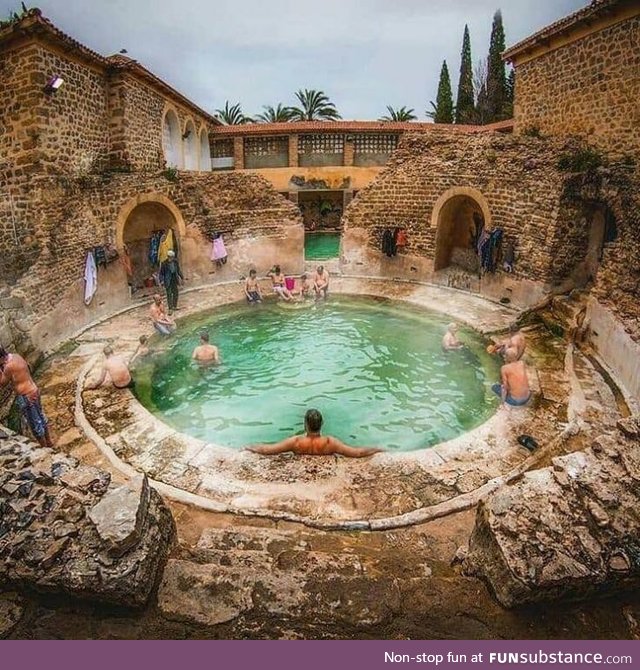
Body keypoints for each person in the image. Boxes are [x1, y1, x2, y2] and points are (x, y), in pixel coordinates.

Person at [246, 409, 383, 458]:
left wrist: (249, 447)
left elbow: (268, 450)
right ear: (322, 424)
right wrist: (377, 449)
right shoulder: (330, 443)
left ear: (305, 424)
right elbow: (357, 453)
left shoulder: (296, 442)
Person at [0, 346, 53, 448]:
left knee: (34, 425)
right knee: (41, 417)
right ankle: (49, 443)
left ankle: (45, 448)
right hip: (34, 390)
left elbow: (2, 383)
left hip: (26, 396)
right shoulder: (16, 356)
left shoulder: (8, 367)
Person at [159, 249, 183, 314]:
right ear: (168, 256)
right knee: (169, 294)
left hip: (174, 278)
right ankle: (170, 308)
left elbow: (178, 270)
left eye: (173, 257)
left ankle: (174, 306)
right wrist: (161, 281)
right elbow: (161, 273)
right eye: (171, 257)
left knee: (176, 293)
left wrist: (182, 277)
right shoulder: (164, 263)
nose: (172, 258)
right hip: (168, 280)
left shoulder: (175, 262)